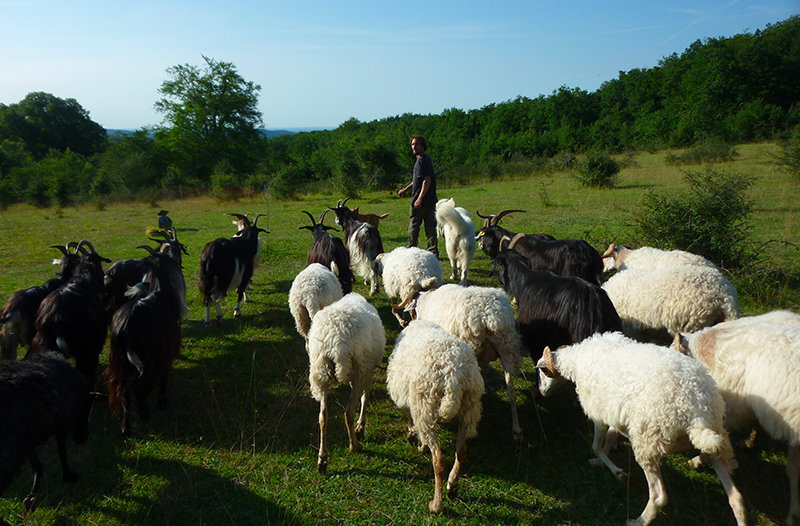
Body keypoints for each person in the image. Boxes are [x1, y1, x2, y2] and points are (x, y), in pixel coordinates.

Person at [398, 135, 439, 257]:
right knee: (431, 229)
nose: (414, 147)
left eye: (417, 144)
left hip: (421, 203)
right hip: (431, 201)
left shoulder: (421, 161)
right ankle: (433, 254)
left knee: (414, 229)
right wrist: (405, 189)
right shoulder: (425, 159)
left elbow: (427, 180)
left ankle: (412, 252)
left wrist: (419, 198)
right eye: (412, 144)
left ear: (423, 146)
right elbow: (418, 180)